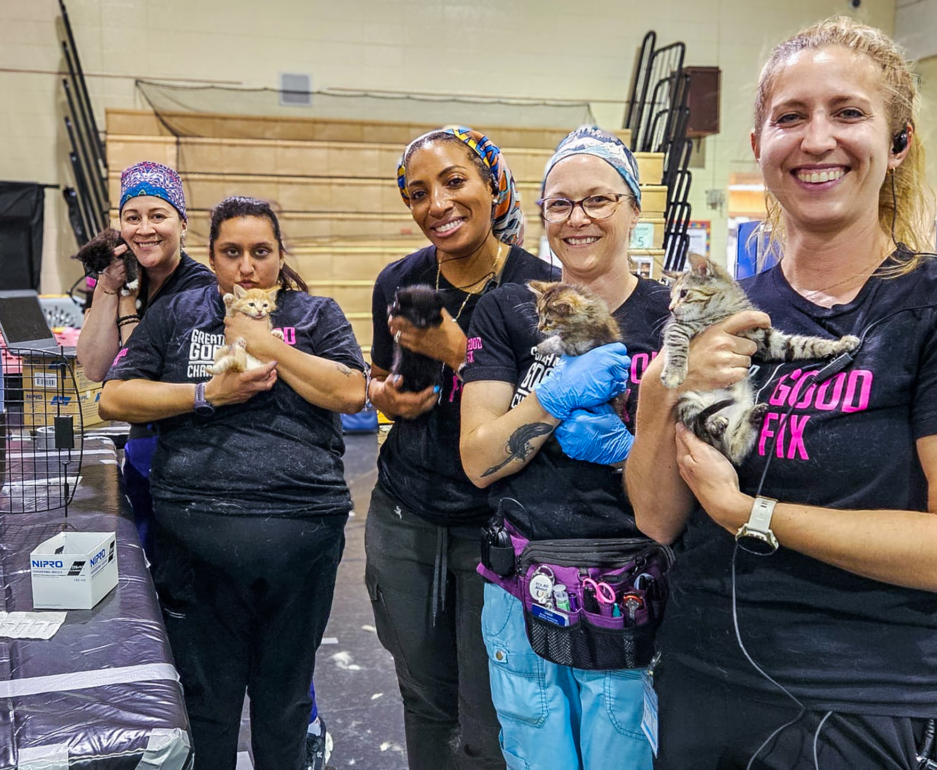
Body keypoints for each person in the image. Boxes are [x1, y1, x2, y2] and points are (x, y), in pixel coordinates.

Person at [627, 16, 937, 770]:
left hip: (878, 700)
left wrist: (752, 514)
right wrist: (660, 391)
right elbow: (656, 515)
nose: (816, 141)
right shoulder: (723, 307)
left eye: (848, 113)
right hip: (707, 685)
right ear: (759, 144)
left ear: (897, 143)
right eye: (790, 117)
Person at [100, 196, 367, 770]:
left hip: (302, 530)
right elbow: (114, 397)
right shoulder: (176, 314)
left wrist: (266, 342)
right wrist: (205, 395)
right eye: (232, 252)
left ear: (278, 256)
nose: (246, 266)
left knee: (285, 701)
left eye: (260, 252)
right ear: (213, 257)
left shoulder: (317, 315)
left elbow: (349, 392)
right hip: (196, 535)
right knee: (207, 703)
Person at [460, 126, 667, 770]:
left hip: (633, 581)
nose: (578, 219)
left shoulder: (671, 319)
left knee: (624, 751)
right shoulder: (507, 313)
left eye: (599, 200)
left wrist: (624, 450)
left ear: (634, 208)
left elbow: (697, 473)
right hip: (523, 577)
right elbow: (478, 457)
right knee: (535, 747)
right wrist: (552, 400)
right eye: (559, 203)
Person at [364, 126, 556, 770]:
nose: (436, 204)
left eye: (454, 182)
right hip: (406, 515)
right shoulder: (400, 280)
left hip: (501, 530)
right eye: (417, 193)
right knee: (422, 697)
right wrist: (386, 396)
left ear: (493, 185)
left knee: (492, 709)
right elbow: (382, 373)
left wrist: (460, 353)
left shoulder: (542, 291)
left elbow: (546, 412)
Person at [77, 161, 213, 555]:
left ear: (182, 223)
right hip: (141, 456)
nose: (145, 229)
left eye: (158, 215)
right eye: (132, 217)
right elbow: (94, 366)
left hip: (185, 462)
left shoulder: (198, 290)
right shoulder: (126, 281)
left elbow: (140, 379)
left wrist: (126, 306)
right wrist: (109, 286)